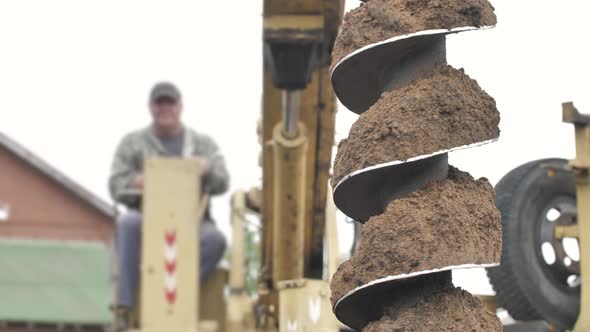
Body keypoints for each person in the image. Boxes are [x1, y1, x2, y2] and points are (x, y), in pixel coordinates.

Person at [109, 82, 229, 315]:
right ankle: (125, 306)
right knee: (126, 224)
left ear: (180, 107)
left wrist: (207, 169)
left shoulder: (202, 144)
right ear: (151, 108)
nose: (165, 108)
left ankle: (179, 295)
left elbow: (222, 180)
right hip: (148, 218)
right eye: (159, 103)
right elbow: (115, 184)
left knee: (215, 240)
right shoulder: (132, 144)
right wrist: (136, 182)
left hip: (192, 221)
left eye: (170, 103)